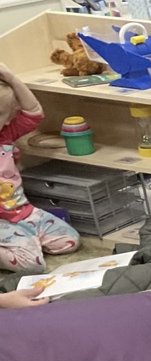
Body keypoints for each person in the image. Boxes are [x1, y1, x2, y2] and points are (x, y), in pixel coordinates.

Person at [0, 65, 81, 273]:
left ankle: (25, 241)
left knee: (70, 241)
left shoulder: (6, 136)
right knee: (32, 266)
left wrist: (11, 76)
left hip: (24, 213)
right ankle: (21, 245)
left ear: (8, 118)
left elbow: (34, 113)